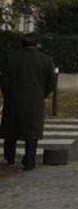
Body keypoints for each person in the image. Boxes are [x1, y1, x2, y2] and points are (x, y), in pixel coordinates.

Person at [0, 33, 55, 171]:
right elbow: (51, 82)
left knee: (11, 130)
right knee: (32, 132)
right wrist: (42, 94)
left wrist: (8, 94)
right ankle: (29, 160)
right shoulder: (45, 60)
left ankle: (9, 157)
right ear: (37, 44)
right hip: (34, 100)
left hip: (13, 99)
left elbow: (4, 80)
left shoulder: (11, 58)